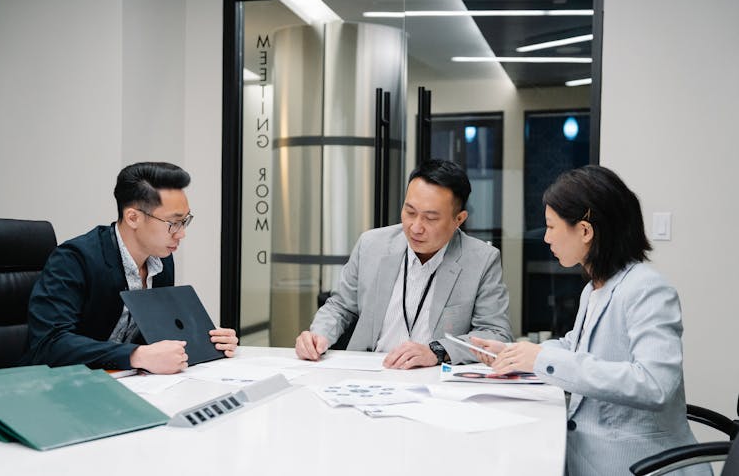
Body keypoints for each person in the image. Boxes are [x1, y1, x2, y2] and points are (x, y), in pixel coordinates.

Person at [470, 165, 710, 476]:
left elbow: (654, 385)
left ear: (585, 231)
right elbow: (578, 345)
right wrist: (516, 353)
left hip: (640, 465)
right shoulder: (594, 288)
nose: (545, 238)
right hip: (590, 456)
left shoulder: (646, 288)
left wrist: (543, 360)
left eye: (551, 227)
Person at [22, 162, 237, 374]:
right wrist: (136, 356)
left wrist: (209, 340)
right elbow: (49, 344)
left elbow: (154, 334)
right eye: (173, 223)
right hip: (62, 387)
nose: (181, 234)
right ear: (133, 217)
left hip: (123, 382)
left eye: (185, 221)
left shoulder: (162, 260)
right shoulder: (74, 260)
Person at [295, 159, 512, 369]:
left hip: (433, 378)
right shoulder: (372, 245)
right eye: (410, 212)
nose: (416, 227)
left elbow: (496, 334)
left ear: (459, 219)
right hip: (369, 371)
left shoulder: (482, 260)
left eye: (431, 218)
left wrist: (437, 351)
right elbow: (340, 306)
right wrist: (318, 335)